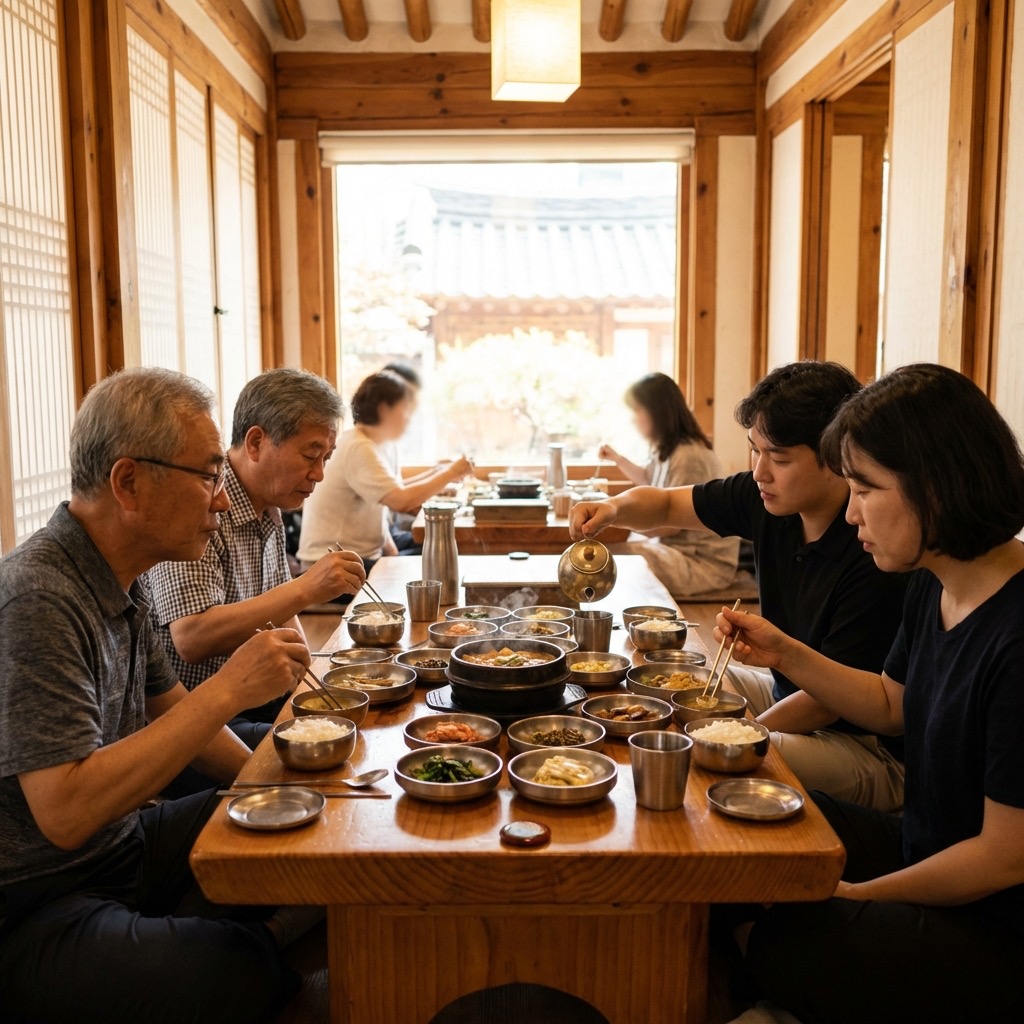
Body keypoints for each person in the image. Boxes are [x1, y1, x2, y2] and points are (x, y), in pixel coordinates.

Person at [0, 368, 316, 1022]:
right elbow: (63, 812)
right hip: (36, 899)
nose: (222, 500)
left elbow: (169, 706)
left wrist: (280, 785)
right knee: (222, 973)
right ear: (129, 483)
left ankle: (259, 931)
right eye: (207, 475)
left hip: (126, 844)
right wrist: (230, 690)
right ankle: (259, 944)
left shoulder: (122, 576)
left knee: (306, 825)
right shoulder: (36, 598)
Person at [715, 364, 1024, 1024]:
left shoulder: (1015, 633)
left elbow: (1004, 857)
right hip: (925, 843)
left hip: (996, 924)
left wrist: (858, 896)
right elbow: (890, 703)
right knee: (731, 847)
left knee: (787, 930)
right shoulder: (933, 580)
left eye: (866, 489)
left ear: (935, 488)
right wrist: (786, 652)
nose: (851, 512)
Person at [570, 361, 907, 811]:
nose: (760, 471)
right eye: (755, 450)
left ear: (836, 458)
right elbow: (667, 505)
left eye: (779, 458)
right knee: (670, 687)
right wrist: (611, 508)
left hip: (864, 746)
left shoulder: (874, 546)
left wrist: (733, 734)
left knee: (707, 753)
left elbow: (828, 704)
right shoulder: (765, 497)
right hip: (790, 692)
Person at [145, 368, 365, 728]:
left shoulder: (268, 504)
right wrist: (307, 587)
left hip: (257, 699)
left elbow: (279, 609)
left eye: (326, 457)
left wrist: (311, 677)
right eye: (311, 455)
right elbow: (192, 636)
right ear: (256, 442)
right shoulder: (200, 504)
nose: (320, 474)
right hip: (200, 719)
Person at [298, 369, 472, 571]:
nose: (409, 417)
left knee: (438, 546)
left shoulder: (380, 445)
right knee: (435, 556)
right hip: (331, 564)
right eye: (405, 409)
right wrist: (449, 472)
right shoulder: (358, 446)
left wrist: (439, 471)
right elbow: (401, 500)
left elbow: (393, 490)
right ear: (383, 409)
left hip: (365, 553)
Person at [597, 372, 739, 596]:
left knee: (610, 558)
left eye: (637, 410)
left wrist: (615, 521)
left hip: (702, 564)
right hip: (675, 552)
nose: (633, 419)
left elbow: (668, 525)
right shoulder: (668, 449)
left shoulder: (688, 456)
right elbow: (649, 481)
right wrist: (618, 459)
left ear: (656, 412)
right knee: (607, 554)